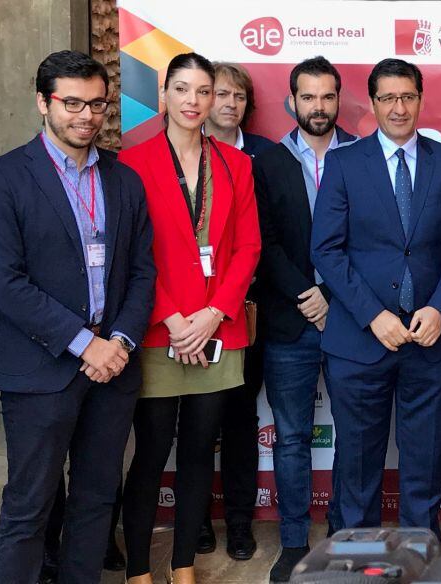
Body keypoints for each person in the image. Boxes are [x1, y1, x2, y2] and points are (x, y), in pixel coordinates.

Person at [0, 50, 156, 584]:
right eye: (71, 102)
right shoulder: (2, 178)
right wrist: (86, 343)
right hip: (41, 370)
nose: (86, 115)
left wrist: (119, 341)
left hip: (113, 368)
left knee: (96, 501)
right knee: (29, 507)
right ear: (43, 102)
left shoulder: (123, 180)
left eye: (97, 104)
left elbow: (143, 271)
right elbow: (3, 282)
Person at [311, 58, 441, 537]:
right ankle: (358, 562)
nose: (399, 107)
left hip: (431, 342)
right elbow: (326, 250)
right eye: (388, 98)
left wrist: (440, 308)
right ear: (373, 104)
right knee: (358, 468)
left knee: (425, 467)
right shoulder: (344, 164)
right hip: (360, 342)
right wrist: (373, 315)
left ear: (421, 100)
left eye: (407, 96)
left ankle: (416, 559)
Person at [118, 52, 261, 584]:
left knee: (202, 453)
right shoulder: (130, 164)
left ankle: (183, 567)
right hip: (159, 330)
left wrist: (213, 313)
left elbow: (248, 247)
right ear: (164, 94)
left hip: (218, 329)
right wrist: (174, 319)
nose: (194, 102)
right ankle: (138, 569)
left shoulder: (236, 164)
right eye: (183, 89)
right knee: (152, 453)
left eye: (204, 91)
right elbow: (129, 256)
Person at [252, 55, 357, 583]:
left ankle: (342, 535)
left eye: (327, 96)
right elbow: (262, 241)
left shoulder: (363, 156)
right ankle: (293, 541)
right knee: (291, 436)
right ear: (292, 100)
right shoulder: (266, 162)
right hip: (290, 322)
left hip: (351, 320)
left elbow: (374, 243)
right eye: (308, 97)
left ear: (340, 99)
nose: (319, 107)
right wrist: (306, 293)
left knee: (355, 434)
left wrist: (335, 298)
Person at [196, 59, 274, 562]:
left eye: (238, 97)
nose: (229, 104)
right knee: (199, 424)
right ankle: (197, 518)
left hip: (247, 312)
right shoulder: (178, 155)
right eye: (220, 94)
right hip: (186, 319)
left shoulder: (264, 158)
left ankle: (240, 522)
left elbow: (266, 238)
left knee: (242, 419)